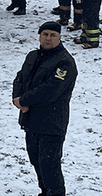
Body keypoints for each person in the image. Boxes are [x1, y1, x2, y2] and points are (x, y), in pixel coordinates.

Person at [12, 21, 77, 196]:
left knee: (50, 166)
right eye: (45, 34)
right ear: (40, 36)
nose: (48, 38)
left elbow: (50, 91)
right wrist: (17, 99)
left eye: (53, 35)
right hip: (31, 121)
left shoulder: (65, 63)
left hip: (51, 123)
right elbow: (20, 78)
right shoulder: (32, 56)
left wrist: (25, 100)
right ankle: (45, 192)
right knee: (36, 161)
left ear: (59, 38)